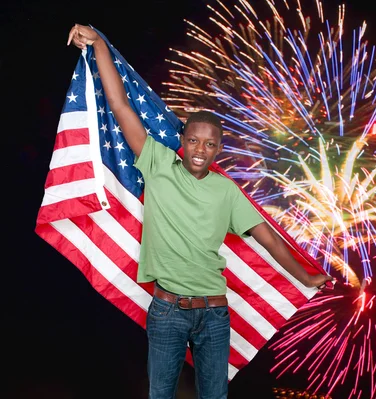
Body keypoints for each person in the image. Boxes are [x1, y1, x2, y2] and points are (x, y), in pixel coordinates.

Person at [67, 24, 333, 399]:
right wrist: (97, 43)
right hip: (166, 311)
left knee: (214, 396)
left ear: (218, 150)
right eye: (193, 140)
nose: (199, 149)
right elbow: (120, 105)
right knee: (160, 393)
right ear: (182, 140)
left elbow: (268, 238)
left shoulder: (227, 191)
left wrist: (304, 278)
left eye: (209, 145)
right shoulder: (157, 163)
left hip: (214, 315)